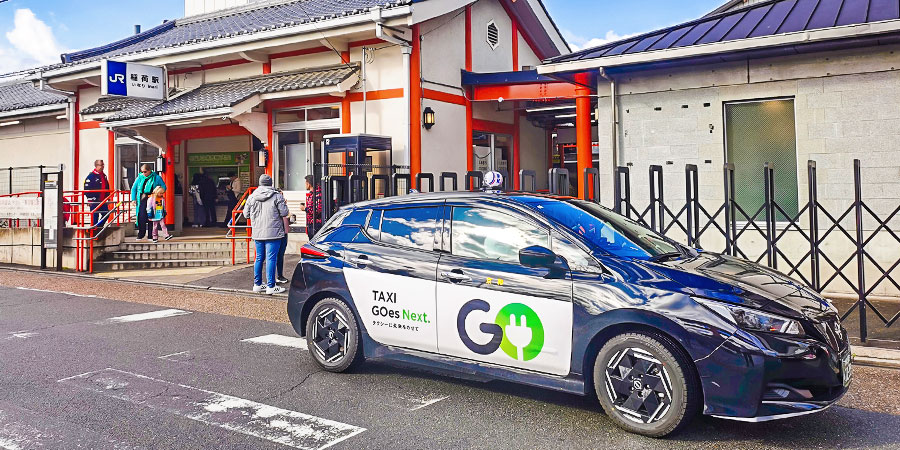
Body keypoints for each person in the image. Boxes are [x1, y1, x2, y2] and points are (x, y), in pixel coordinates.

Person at [244, 174, 289, 295]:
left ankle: (257, 284)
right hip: (273, 233)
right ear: (270, 183)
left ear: (260, 183)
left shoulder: (252, 197)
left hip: (258, 233)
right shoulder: (277, 196)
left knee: (259, 258)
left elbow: (245, 214)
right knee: (271, 258)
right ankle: (271, 286)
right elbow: (284, 212)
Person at [130, 164, 166, 240]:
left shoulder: (156, 178)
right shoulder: (139, 178)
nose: (144, 173)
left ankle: (151, 235)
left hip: (153, 198)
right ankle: (141, 234)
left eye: (145, 171)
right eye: (142, 171)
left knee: (151, 216)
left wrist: (158, 190)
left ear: (149, 171)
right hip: (142, 199)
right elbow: (134, 189)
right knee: (141, 216)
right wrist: (133, 199)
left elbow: (164, 187)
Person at [83, 160, 110, 227]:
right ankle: (94, 230)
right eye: (101, 165)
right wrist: (89, 199)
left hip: (102, 200)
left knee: (106, 213)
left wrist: (108, 197)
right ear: (96, 166)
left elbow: (107, 186)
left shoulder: (103, 176)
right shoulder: (91, 176)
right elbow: (87, 189)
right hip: (94, 200)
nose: (102, 167)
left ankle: (99, 226)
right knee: (95, 216)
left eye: (103, 165)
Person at [304, 175, 322, 239]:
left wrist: (305, 208)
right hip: (312, 224)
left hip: (315, 224)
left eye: (305, 183)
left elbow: (317, 210)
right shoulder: (314, 193)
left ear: (308, 184)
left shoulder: (316, 194)